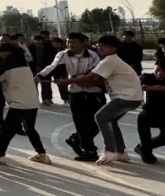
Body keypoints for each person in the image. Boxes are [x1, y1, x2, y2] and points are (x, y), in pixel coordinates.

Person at [57, 34, 142, 165]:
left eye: (103, 46)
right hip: (133, 98)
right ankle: (120, 152)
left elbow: (89, 78)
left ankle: (110, 151)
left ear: (113, 48)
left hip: (126, 97)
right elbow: (95, 80)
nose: (99, 48)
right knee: (111, 121)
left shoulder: (110, 61)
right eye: (98, 45)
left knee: (100, 117)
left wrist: (65, 81)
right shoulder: (112, 60)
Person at [0, 44, 49, 165]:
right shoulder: (26, 66)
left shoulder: (6, 67)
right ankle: (42, 154)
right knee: (30, 129)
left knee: (5, 131)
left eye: (1, 52)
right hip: (33, 102)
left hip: (19, 104)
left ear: (8, 53)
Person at [36, 32, 105, 161]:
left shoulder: (93, 55)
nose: (69, 44)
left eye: (73, 42)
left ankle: (75, 139)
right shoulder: (63, 54)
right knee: (81, 123)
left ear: (83, 42)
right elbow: (52, 66)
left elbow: (97, 71)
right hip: (75, 93)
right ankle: (89, 150)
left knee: (97, 122)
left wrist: (80, 78)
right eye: (68, 42)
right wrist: (39, 76)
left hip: (94, 92)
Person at [134, 57, 165, 165]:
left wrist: (160, 89)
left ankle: (143, 147)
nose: (159, 74)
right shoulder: (148, 77)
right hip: (152, 112)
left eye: (163, 71)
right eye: (157, 70)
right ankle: (146, 152)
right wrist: (138, 81)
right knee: (142, 120)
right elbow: (139, 79)